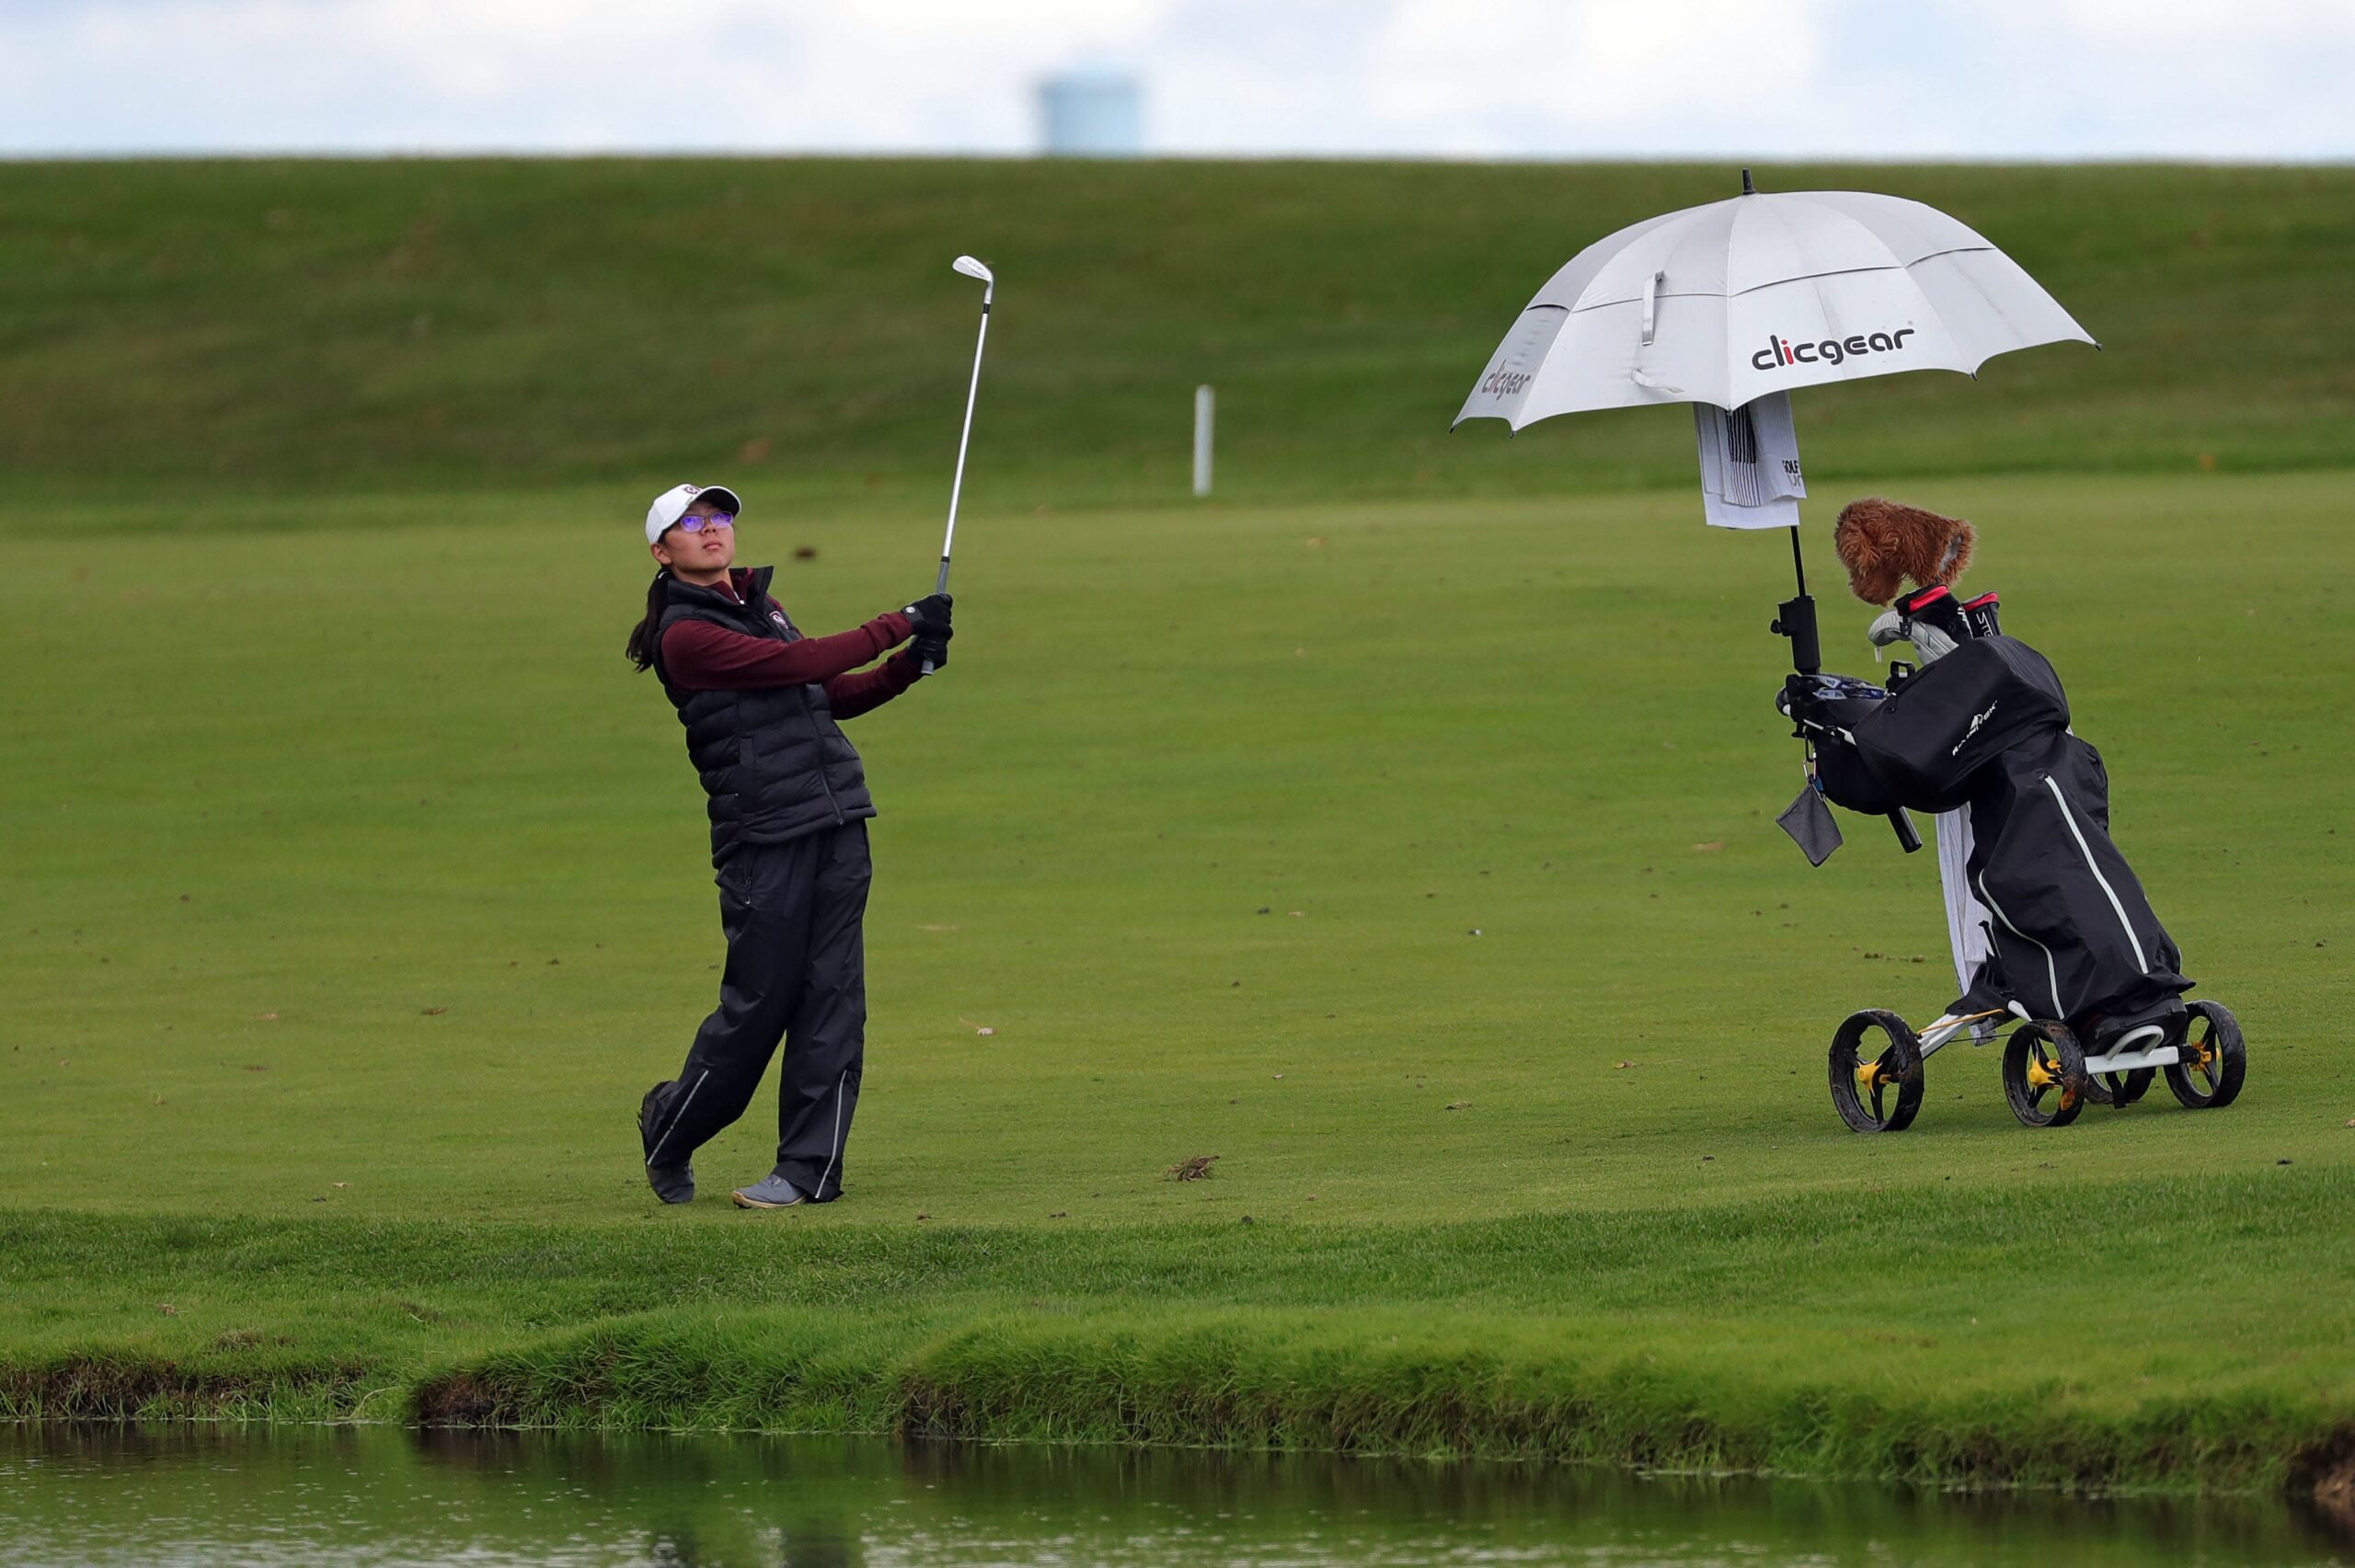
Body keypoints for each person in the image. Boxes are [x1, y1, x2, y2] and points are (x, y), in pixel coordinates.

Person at [626, 482, 952, 1209]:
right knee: (758, 1009)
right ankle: (670, 1127)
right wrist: (897, 621)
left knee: (833, 999)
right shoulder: (686, 634)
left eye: (719, 517)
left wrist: (909, 665)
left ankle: (808, 1170)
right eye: (690, 523)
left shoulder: (762, 607)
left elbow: (826, 693)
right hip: (762, 837)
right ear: (662, 551)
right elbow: (794, 668)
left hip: (836, 821)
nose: (711, 530)